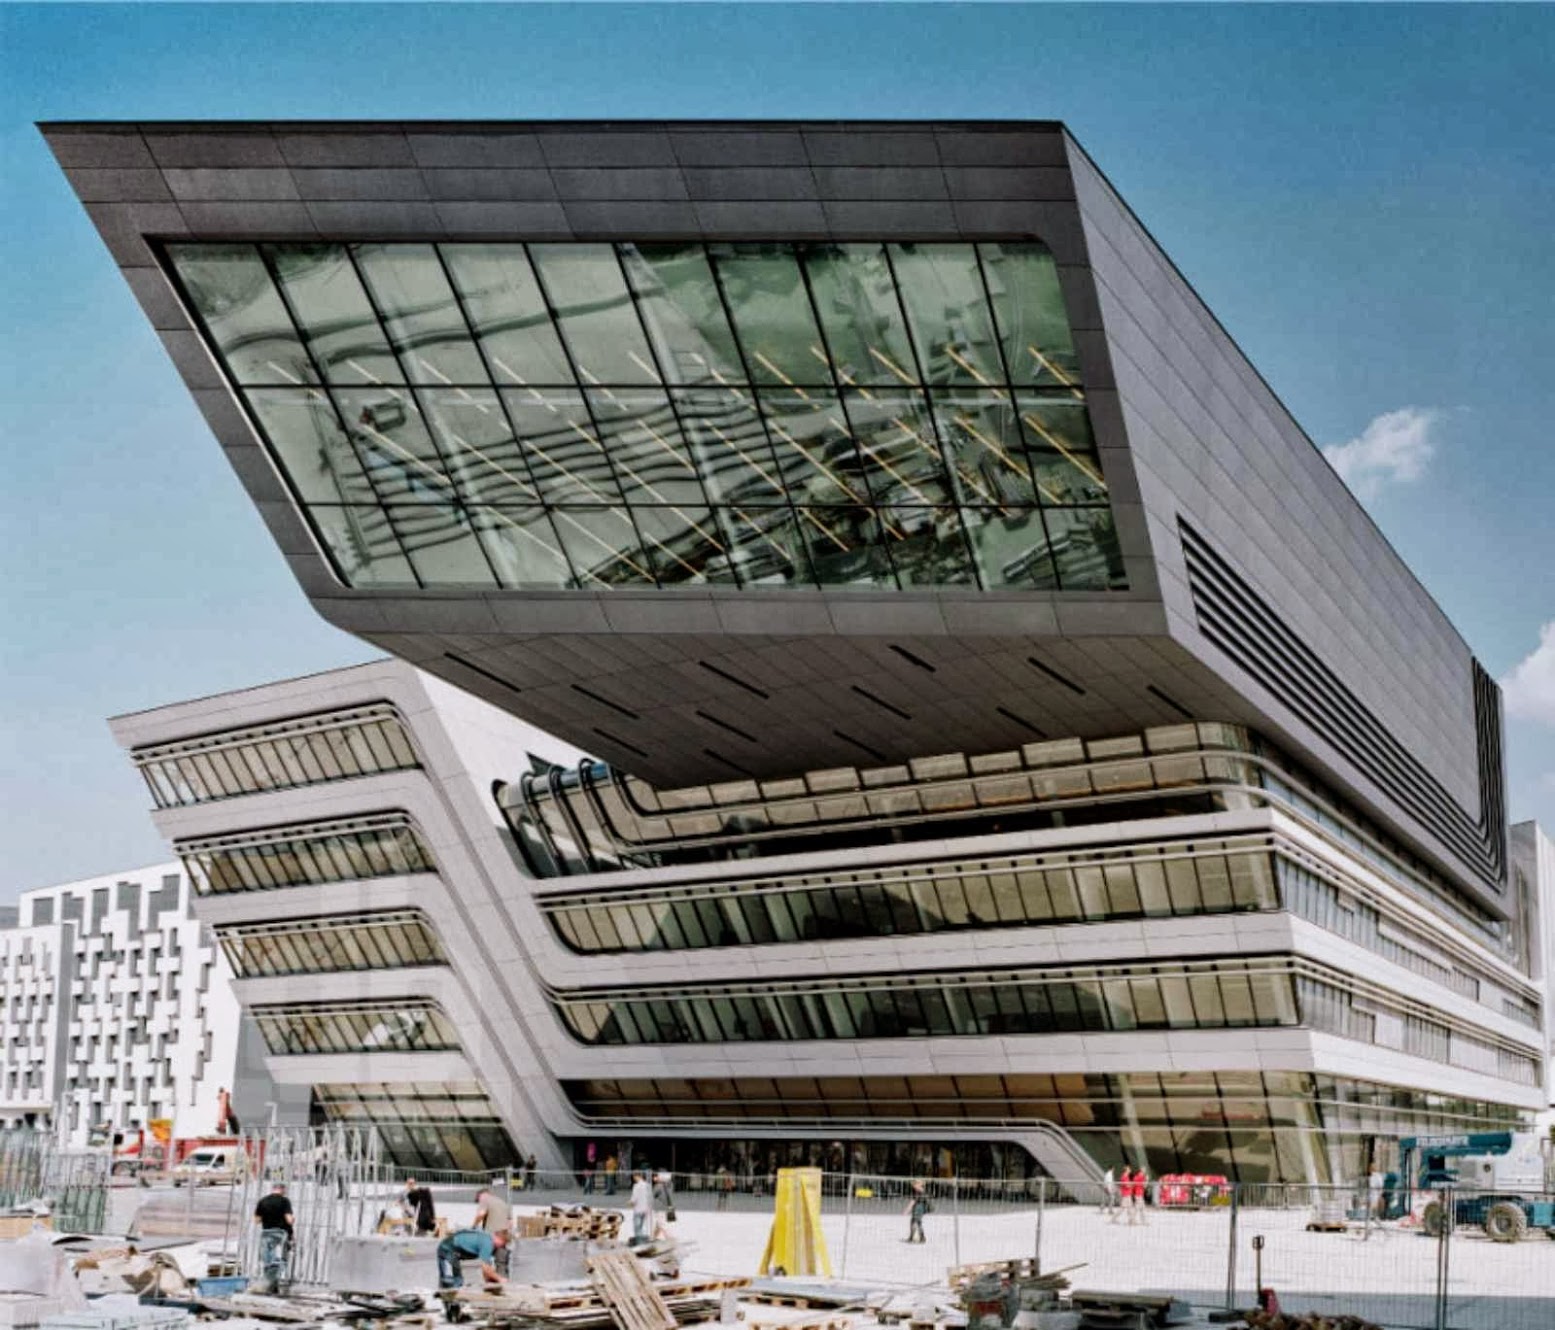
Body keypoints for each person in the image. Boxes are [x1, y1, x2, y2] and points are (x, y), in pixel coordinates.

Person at [436, 1227, 509, 1289]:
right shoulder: (487, 1243)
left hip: (453, 1248)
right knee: (451, 1281)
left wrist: (490, 1281)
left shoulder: (486, 1238)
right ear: (499, 1239)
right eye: (503, 1244)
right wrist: (500, 1279)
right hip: (448, 1248)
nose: (502, 1247)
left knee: (457, 1280)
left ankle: (452, 1300)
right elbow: (485, 1267)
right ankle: (451, 1301)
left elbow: (486, 1268)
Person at [254, 1182, 293, 1293]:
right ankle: (279, 1283)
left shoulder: (262, 1201)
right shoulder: (285, 1201)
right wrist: (292, 1220)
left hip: (267, 1233)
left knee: (268, 1259)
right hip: (281, 1233)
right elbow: (289, 1219)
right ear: (282, 1189)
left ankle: (269, 1283)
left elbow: (257, 1220)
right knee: (282, 1259)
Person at [473, 1187, 512, 1275]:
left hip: (491, 1235)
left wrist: (473, 1226)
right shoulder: (502, 1202)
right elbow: (510, 1222)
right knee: (501, 1261)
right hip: (503, 1235)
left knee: (486, 1261)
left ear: (480, 1196)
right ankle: (503, 1280)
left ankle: (490, 1281)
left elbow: (481, 1214)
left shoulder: (484, 1199)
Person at [629, 1170, 655, 1243]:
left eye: (634, 1177)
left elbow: (634, 1198)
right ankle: (643, 1241)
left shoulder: (636, 1186)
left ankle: (640, 1243)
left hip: (638, 1209)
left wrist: (630, 1203)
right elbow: (650, 1197)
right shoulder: (647, 1185)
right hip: (645, 1209)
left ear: (636, 1176)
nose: (634, 1179)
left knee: (637, 1227)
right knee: (642, 1226)